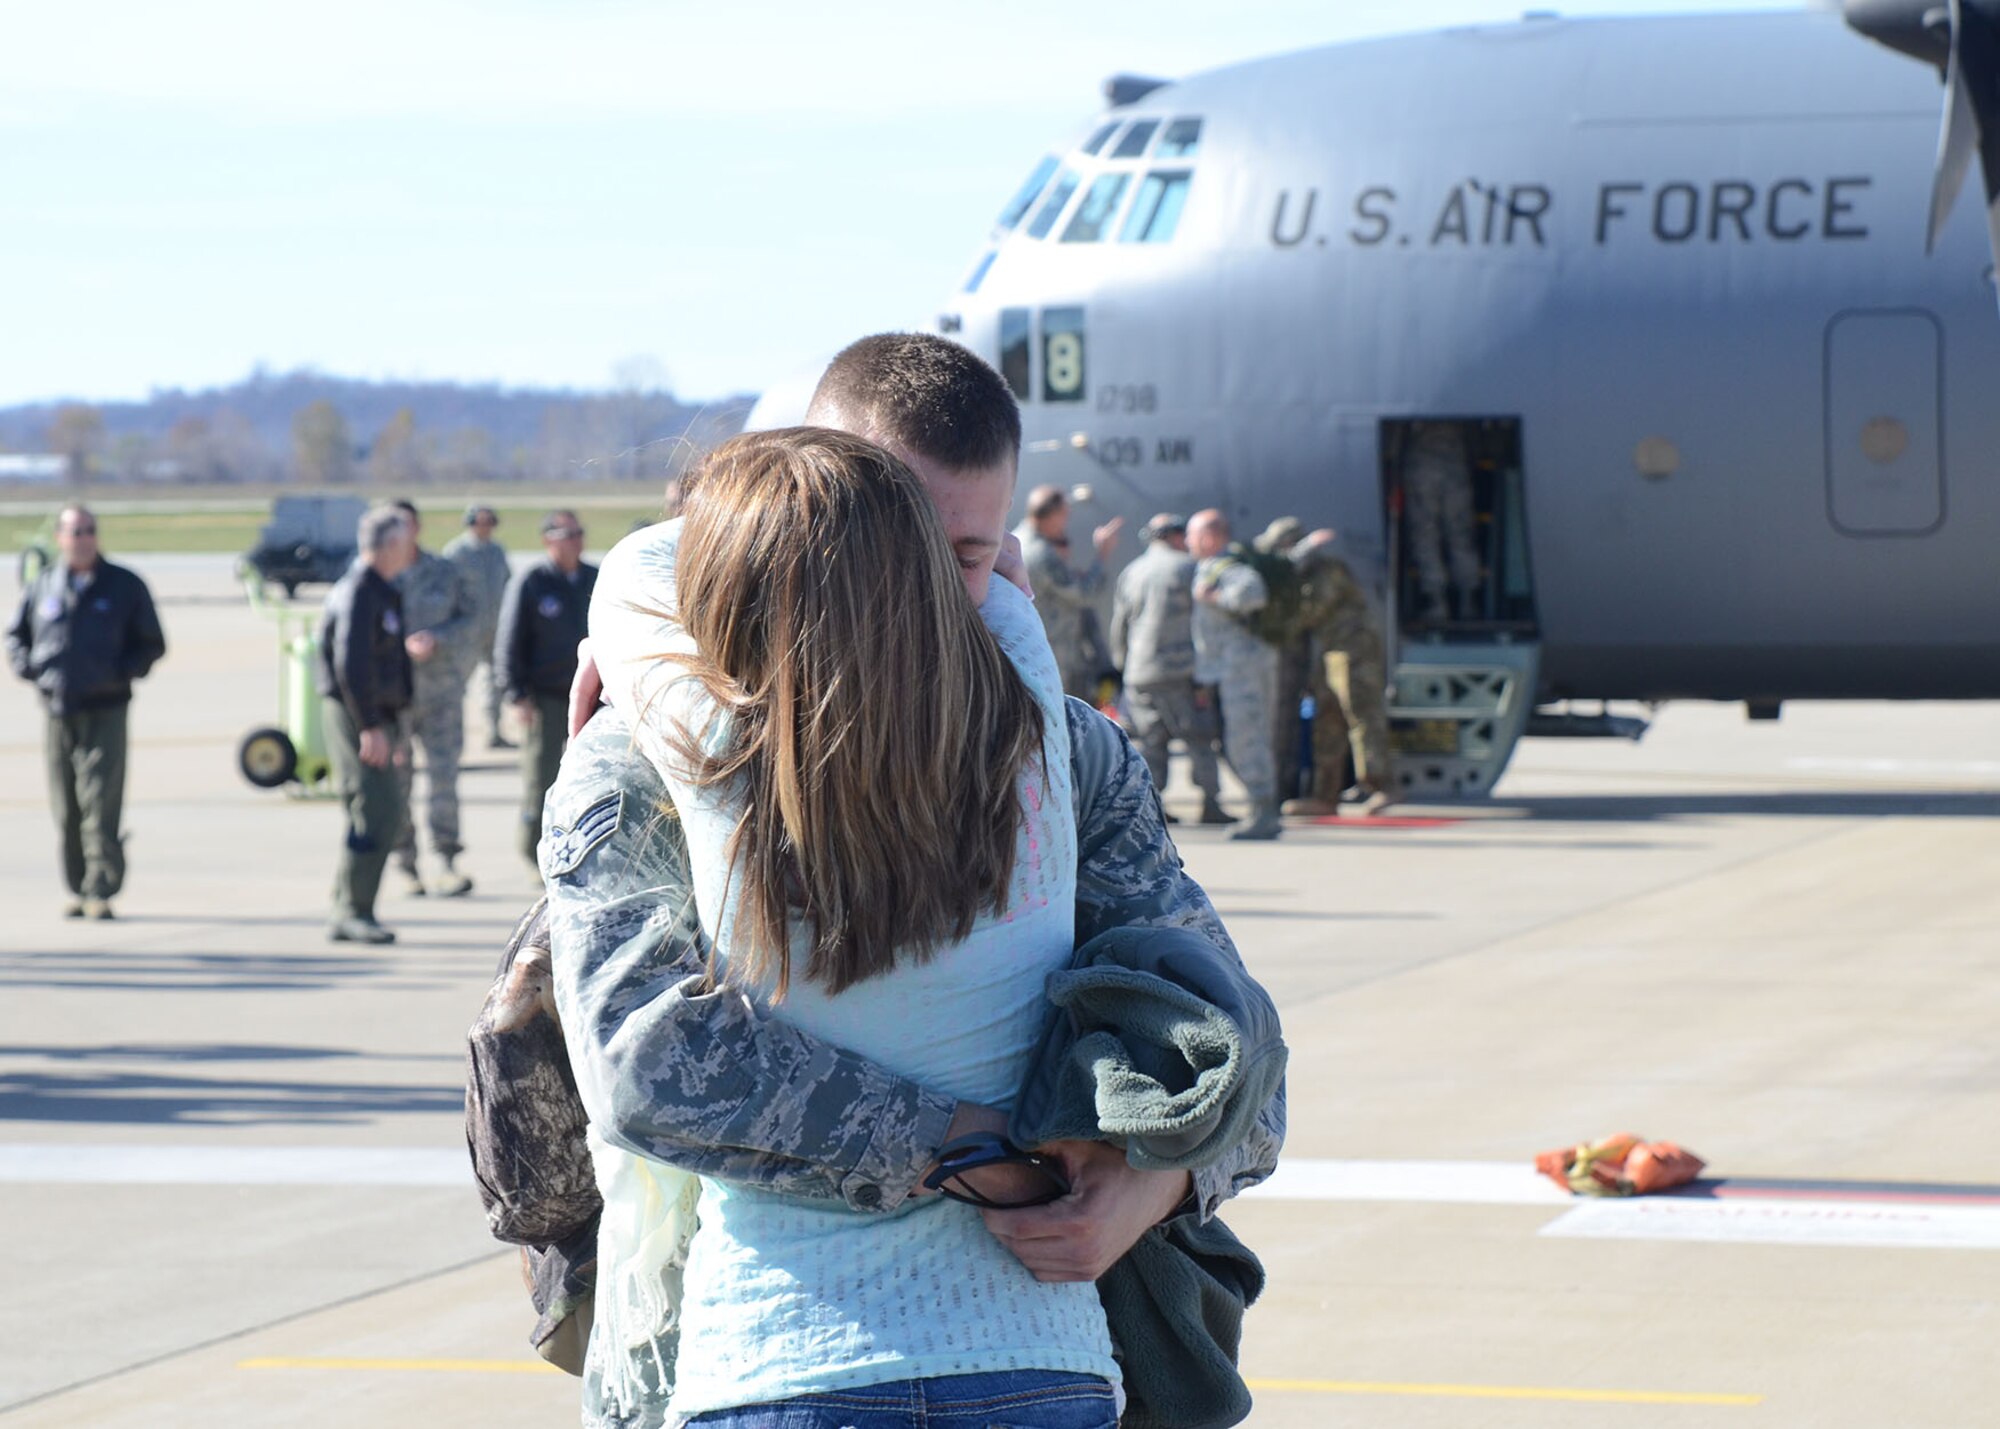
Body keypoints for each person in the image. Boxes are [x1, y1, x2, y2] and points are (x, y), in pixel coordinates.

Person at [543, 334, 1282, 1429]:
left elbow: (1242, 1059)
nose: (929, 601)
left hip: (897, 1358)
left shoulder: (1066, 754)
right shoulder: (648, 742)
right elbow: (638, 1059)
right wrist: (981, 1152)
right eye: (896, 550)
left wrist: (1148, 1187)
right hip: (775, 1353)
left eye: (969, 556)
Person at [5, 505, 165, 919]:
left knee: (101, 800)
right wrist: (31, 670)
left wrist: (121, 672)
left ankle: (101, 888)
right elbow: (15, 637)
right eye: (75, 531)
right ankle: (77, 886)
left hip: (106, 709)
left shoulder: (124, 586)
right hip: (59, 709)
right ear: (59, 537)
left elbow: (151, 642)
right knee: (66, 806)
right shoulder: (43, 585)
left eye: (89, 531)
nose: (83, 539)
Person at [317, 505, 417, 944]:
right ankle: (353, 910)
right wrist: (371, 726)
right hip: (356, 714)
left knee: (382, 808)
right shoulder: (360, 589)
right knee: (375, 809)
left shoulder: (381, 588)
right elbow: (350, 665)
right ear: (391, 546)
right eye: (405, 540)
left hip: (376, 716)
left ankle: (348, 904)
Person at [387, 500, 480, 898]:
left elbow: (471, 618)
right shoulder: (376, 579)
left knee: (444, 778)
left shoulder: (443, 572)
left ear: (417, 528)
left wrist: (438, 638)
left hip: (441, 693)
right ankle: (405, 863)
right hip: (396, 697)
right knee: (399, 781)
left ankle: (445, 858)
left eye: (405, 525)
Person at [1109, 511, 1227, 825]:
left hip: (1140, 672)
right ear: (1176, 536)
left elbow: (1119, 626)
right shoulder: (1190, 568)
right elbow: (1205, 623)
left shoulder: (1131, 571)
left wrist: (1124, 666)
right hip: (1182, 671)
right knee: (1198, 737)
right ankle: (1211, 803)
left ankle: (1150, 809)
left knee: (1150, 741)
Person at [496, 511, 596, 865]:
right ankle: (533, 854)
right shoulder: (532, 582)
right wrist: (516, 694)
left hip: (591, 699)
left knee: (590, 777)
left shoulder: (592, 579)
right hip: (545, 698)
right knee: (540, 779)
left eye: (579, 532)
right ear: (548, 540)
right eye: (568, 534)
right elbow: (508, 642)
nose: (576, 540)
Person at [1286, 528, 1397, 816]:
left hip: (1354, 651)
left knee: (1362, 716)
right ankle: (1325, 795)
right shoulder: (1304, 576)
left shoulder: (1327, 571)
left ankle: (1382, 786)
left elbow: (1311, 612)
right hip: (1330, 652)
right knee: (1328, 720)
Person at [1187, 509, 1283, 841]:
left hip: (1243, 668)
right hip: (1228, 667)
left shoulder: (1228, 567)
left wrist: (1214, 596)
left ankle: (1264, 812)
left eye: (1192, 535)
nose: (1188, 542)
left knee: (1247, 738)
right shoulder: (1211, 567)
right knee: (1240, 739)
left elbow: (1252, 593)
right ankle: (1261, 807)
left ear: (1208, 537)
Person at [1018, 483, 1121, 702]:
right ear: (1052, 515)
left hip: (1032, 652)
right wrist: (1102, 555)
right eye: (1064, 515)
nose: (1066, 523)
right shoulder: (1040, 552)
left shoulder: (1018, 541)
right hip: (1052, 656)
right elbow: (1084, 594)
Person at [443, 504, 514, 749]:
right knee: (457, 684)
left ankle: (494, 732)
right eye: (479, 523)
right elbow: (446, 590)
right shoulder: (457, 553)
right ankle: (454, 738)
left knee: (495, 682)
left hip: (495, 628)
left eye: (489, 523)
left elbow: (507, 582)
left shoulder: (497, 552)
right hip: (467, 631)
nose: (484, 528)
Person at [1253, 516, 1310, 804]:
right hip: (1282, 658)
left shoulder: (1276, 568)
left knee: (1281, 725)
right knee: (1279, 725)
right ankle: (1279, 789)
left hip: (1287, 659)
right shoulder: (1278, 569)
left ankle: (1282, 788)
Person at [1400, 420, 1482, 622]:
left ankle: (1437, 601)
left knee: (1425, 536)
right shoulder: (1461, 417)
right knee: (1461, 536)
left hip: (1422, 471)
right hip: (1455, 470)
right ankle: (1468, 600)